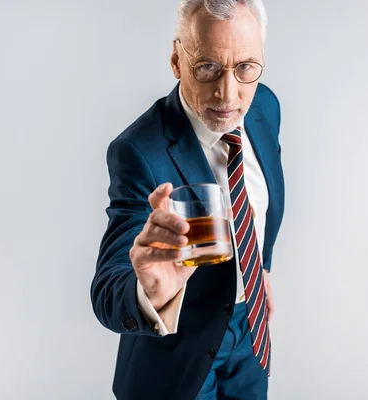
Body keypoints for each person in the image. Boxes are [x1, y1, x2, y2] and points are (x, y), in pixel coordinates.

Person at [91, 1, 285, 399]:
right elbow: (108, 290)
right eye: (207, 67)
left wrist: (259, 267)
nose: (228, 94)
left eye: (246, 67)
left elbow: (261, 203)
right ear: (177, 60)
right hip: (177, 357)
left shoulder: (264, 105)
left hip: (250, 333)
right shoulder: (138, 150)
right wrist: (151, 289)